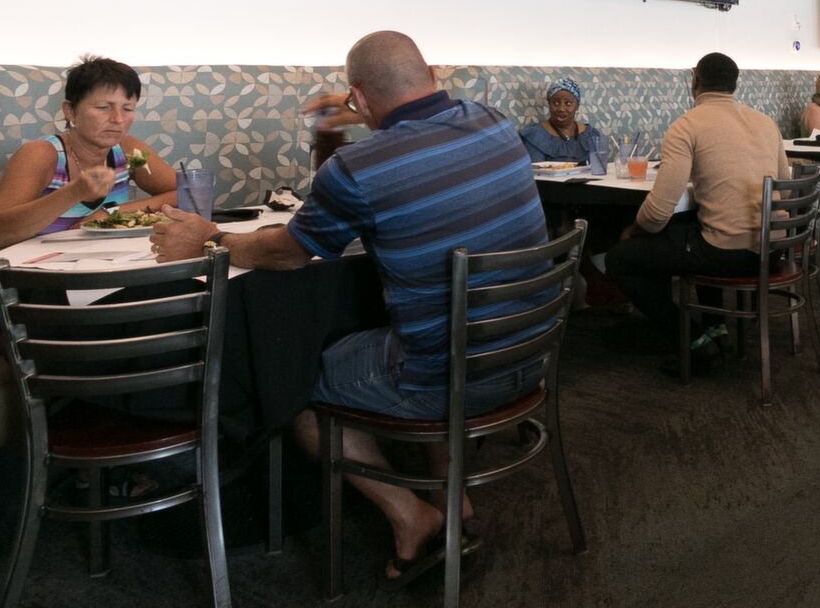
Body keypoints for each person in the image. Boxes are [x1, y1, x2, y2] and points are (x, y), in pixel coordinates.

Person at [150, 31, 552, 584]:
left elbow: (288, 253)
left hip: (449, 378)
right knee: (435, 335)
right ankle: (455, 505)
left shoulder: (358, 168)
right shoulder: (494, 121)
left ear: (358, 98)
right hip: (530, 356)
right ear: (432, 74)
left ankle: (409, 515)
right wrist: (347, 125)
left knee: (291, 379)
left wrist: (210, 238)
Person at [0, 56, 180, 356]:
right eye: (104, 107)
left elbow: (184, 194)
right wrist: (74, 192)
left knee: (165, 299)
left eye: (128, 108)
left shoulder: (127, 150)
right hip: (0, 304)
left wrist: (111, 213)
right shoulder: (41, 154)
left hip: (83, 278)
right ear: (70, 110)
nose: (117, 119)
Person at [605, 53, 788, 375]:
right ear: (735, 84)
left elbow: (659, 210)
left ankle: (693, 340)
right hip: (773, 249)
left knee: (621, 257)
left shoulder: (687, 125)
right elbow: (784, 188)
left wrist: (633, 230)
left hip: (728, 253)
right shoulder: (765, 122)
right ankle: (716, 327)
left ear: (695, 80)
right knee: (696, 227)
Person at [519, 77, 606, 164]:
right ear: (549, 104)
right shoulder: (535, 136)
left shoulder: (590, 135)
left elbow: (599, 166)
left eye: (568, 103)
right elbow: (534, 170)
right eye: (556, 103)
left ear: (577, 106)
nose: (561, 109)